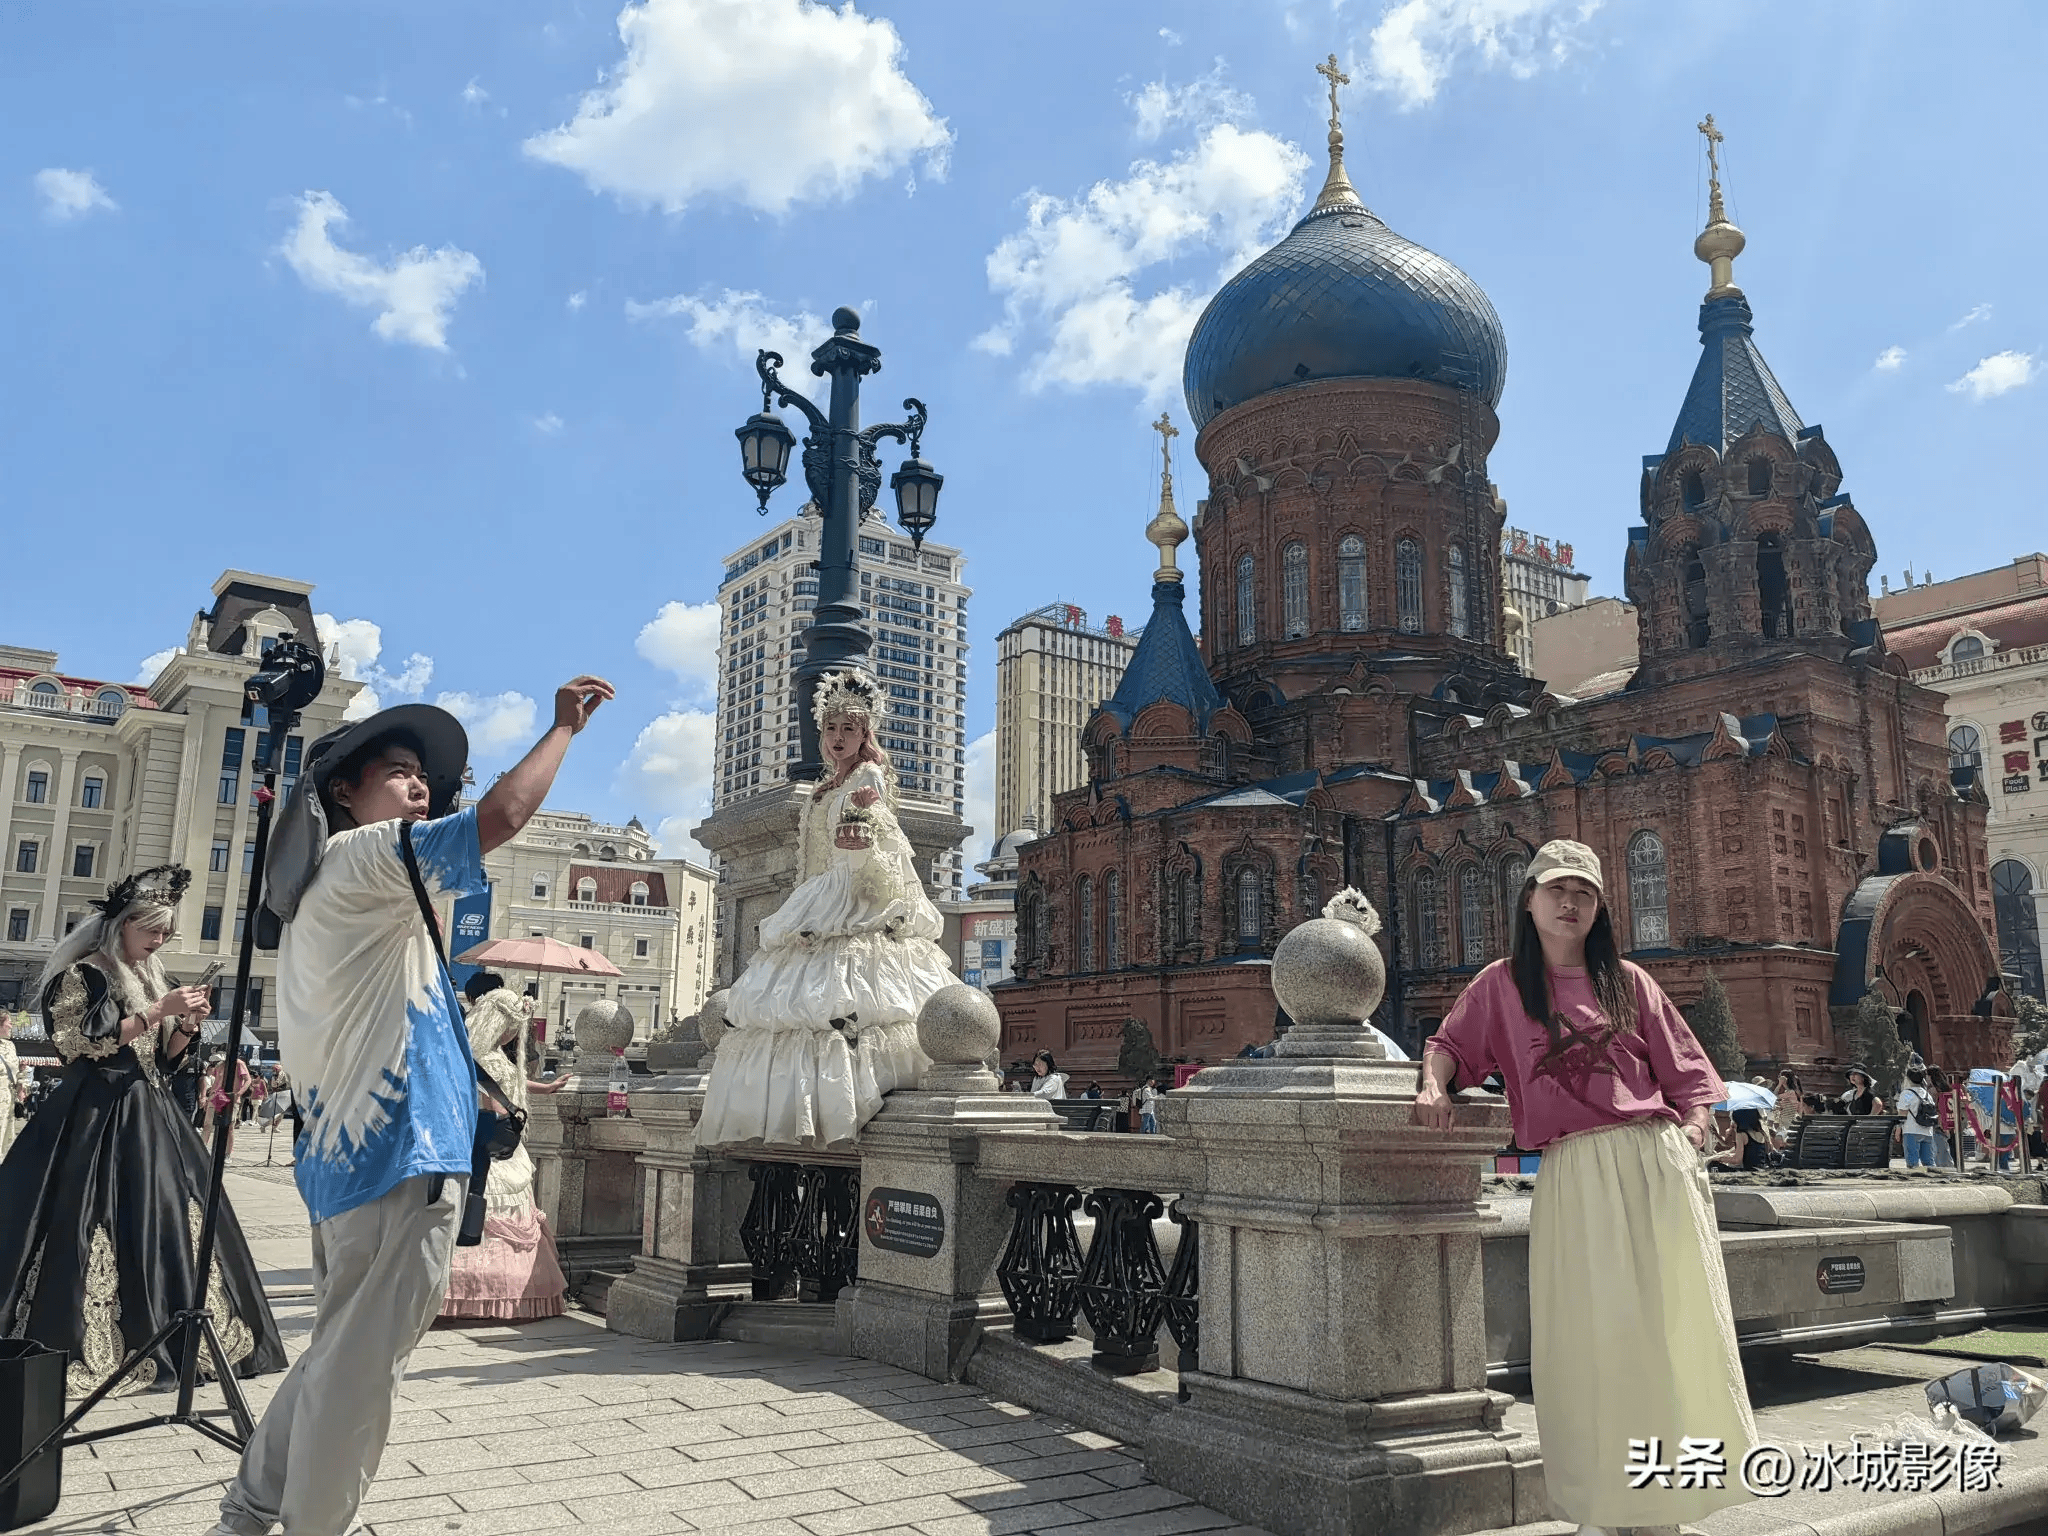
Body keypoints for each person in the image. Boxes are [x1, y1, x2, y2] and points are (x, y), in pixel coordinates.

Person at [209, 677, 612, 1536]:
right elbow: (501, 818)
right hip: (399, 1155)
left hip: (352, 1166)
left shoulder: (339, 894)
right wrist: (563, 729)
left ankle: (250, 1510)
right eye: (398, 770)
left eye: (425, 776)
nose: (421, 785)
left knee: (343, 1350)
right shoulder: (363, 858)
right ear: (343, 792)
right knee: (362, 1373)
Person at [1412, 838, 1755, 1533]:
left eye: (1586, 893)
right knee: (1585, 1343)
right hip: (1571, 1172)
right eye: (1556, 889)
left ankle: (1668, 1507)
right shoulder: (1502, 985)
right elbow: (1447, 1046)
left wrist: (1689, 1138)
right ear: (1529, 899)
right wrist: (1431, 1087)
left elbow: (1692, 1078)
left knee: (1673, 1332)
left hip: (1653, 1163)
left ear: (1599, 908)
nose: (1570, 903)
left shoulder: (1628, 982)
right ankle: (1608, 1504)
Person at [0, 866, 287, 1395]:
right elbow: (83, 1044)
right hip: (92, 1113)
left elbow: (162, 1061)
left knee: (172, 1215)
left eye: (165, 935)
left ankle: (176, 1331)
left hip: (149, 1113)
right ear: (120, 926)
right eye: (150, 931)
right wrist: (160, 1011)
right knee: (85, 1217)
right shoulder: (84, 974)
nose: (157, 943)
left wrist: (183, 1028)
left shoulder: (151, 976)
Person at [696, 670, 952, 1151]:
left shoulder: (868, 777)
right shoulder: (825, 785)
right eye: (832, 728)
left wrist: (861, 841)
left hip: (850, 894)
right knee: (803, 1005)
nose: (838, 738)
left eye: (850, 730)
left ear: (865, 735)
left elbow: (885, 839)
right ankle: (804, 1113)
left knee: (846, 1000)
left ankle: (844, 1105)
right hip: (818, 895)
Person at [439, 973, 569, 1322]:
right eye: (512, 1026)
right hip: (493, 1142)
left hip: (489, 1140)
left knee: (481, 1213)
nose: (515, 1033)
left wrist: (545, 1088)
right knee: (488, 1213)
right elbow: (490, 1094)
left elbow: (507, 1082)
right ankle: (486, 1292)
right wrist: (507, 1111)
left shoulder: (482, 1053)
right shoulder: (485, 1054)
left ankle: (461, 1293)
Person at [1896, 1066, 1938, 1170]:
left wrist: (1898, 1129)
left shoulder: (1906, 1094)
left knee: (1912, 1163)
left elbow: (1902, 1114)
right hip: (1927, 1131)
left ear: (1908, 1079)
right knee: (1929, 1162)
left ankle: (1915, 1181)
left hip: (1911, 1130)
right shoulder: (1927, 1094)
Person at [0, 1013, 22, 1160]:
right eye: (9, 1022)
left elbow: (17, 1071)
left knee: (6, 1136)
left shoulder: (10, 1045)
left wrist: (21, 1086)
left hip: (8, 1098)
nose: (11, 1026)